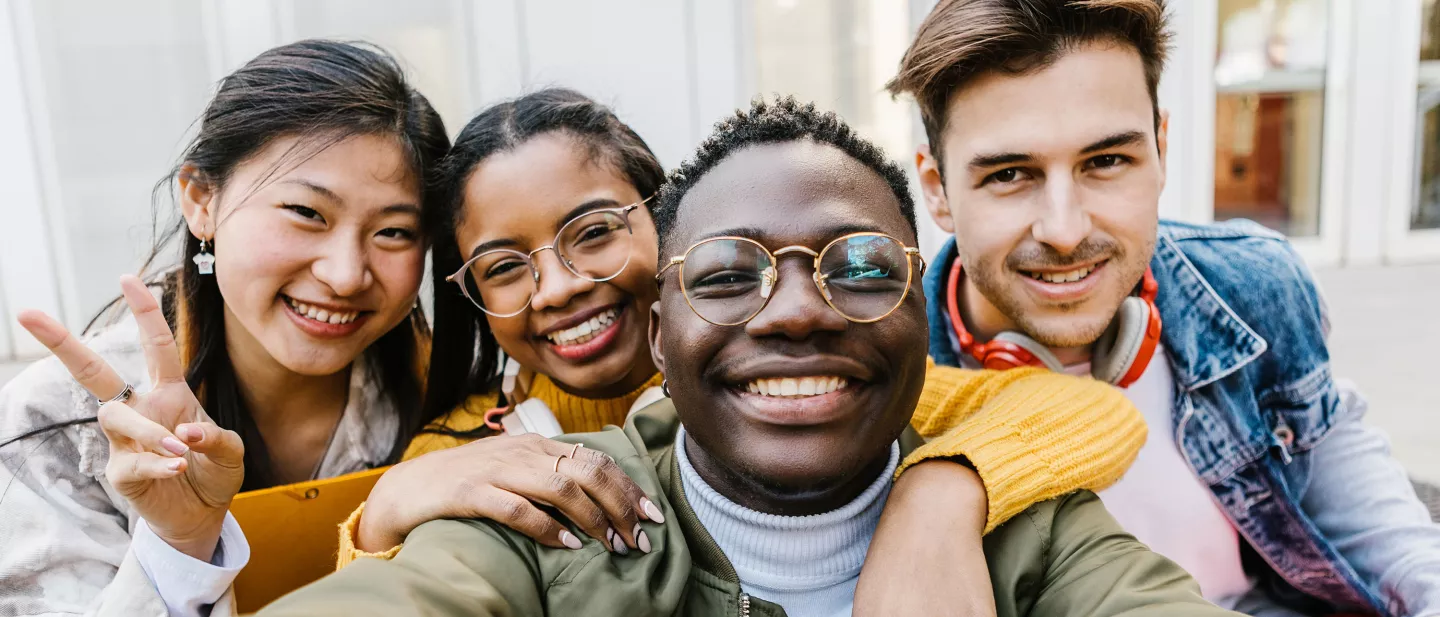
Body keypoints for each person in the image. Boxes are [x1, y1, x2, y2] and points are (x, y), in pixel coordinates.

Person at [256, 97, 1237, 617]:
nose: (555, 287)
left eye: (593, 234)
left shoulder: (911, 418)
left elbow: (1073, 413)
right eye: (504, 267)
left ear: (659, 240)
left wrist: (946, 492)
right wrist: (384, 511)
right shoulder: (493, 475)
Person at [879, 1, 1440, 615]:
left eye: (1107, 161)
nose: (1065, 230)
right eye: (1011, 174)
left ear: (1162, 149)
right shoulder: (887, 375)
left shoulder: (1252, 287)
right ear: (936, 190)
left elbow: (1388, 543)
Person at [0, 40, 448, 615]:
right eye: (307, 213)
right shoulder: (66, 421)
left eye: (394, 232)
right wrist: (179, 543)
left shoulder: (450, 402)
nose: (345, 276)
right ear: (201, 200)